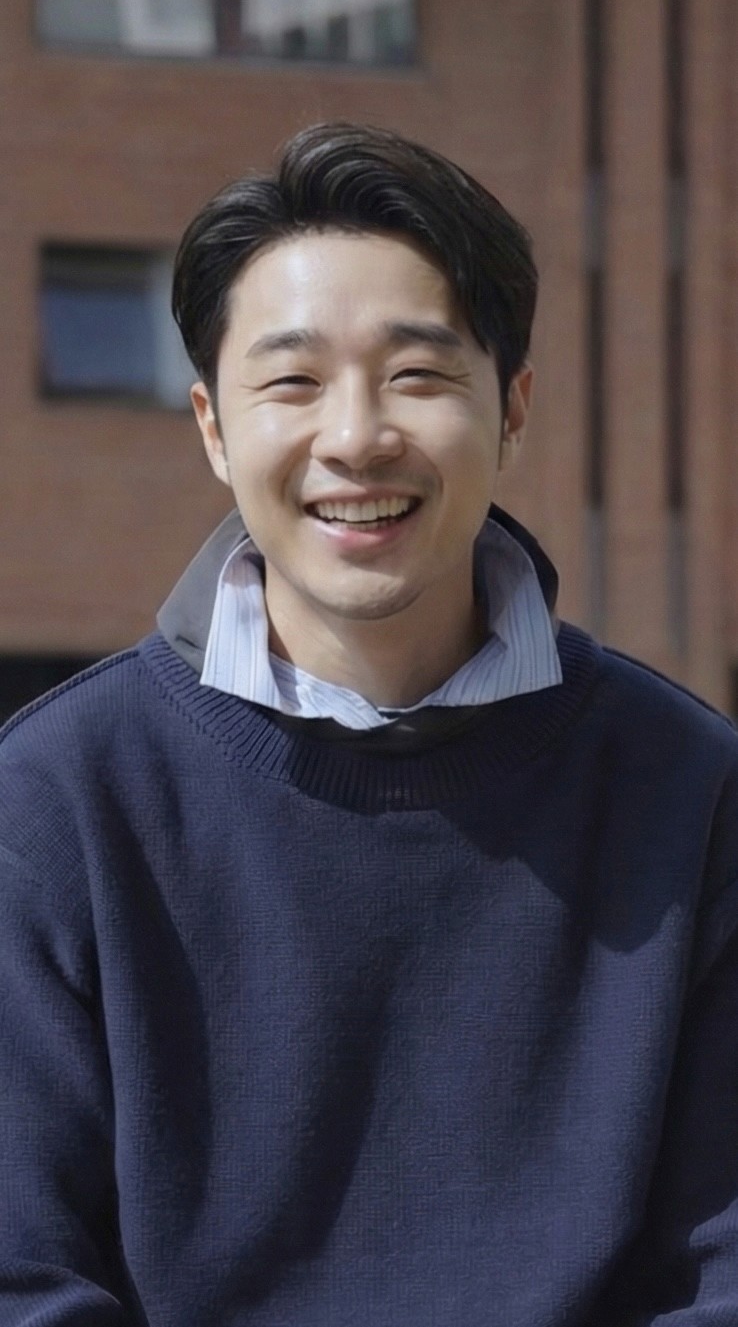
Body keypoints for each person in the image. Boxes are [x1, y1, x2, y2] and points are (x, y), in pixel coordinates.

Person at [1, 122, 738, 1327]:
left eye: (418, 374)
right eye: (292, 381)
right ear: (212, 427)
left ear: (511, 409)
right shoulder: (54, 801)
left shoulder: (688, 789)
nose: (355, 437)